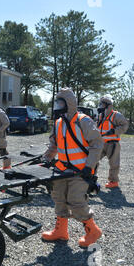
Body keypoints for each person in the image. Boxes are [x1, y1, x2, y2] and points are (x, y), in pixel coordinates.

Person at [41, 88, 104, 248]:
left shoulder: (84, 121)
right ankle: (61, 232)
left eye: (61, 102)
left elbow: (97, 144)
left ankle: (93, 231)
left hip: (81, 171)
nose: (57, 105)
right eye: (57, 102)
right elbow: (54, 144)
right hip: (62, 170)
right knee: (59, 198)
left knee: (76, 201)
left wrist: (89, 167)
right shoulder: (58, 123)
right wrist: (47, 158)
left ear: (69, 104)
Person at [97, 96, 129, 189]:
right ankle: (90, 177)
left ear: (108, 105)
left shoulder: (116, 115)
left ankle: (113, 181)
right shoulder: (101, 115)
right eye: (100, 104)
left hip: (113, 143)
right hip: (101, 143)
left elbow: (125, 125)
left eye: (102, 104)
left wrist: (114, 131)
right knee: (93, 159)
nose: (100, 106)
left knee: (114, 163)